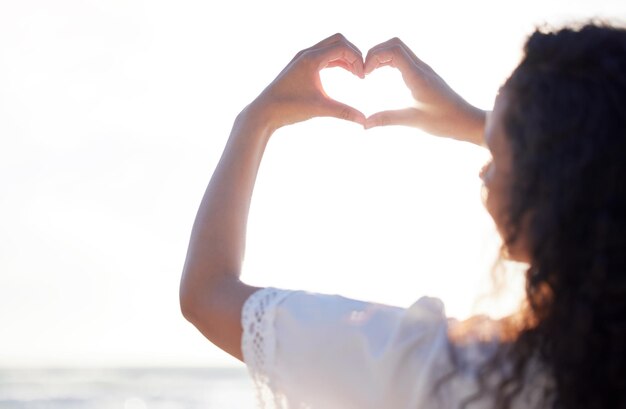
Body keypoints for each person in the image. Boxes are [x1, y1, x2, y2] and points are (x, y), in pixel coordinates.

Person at [179, 23, 626, 409]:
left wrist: (256, 119)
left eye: (498, 147)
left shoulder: (455, 374)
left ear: (551, 185)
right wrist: (482, 124)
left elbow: (208, 295)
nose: (485, 165)